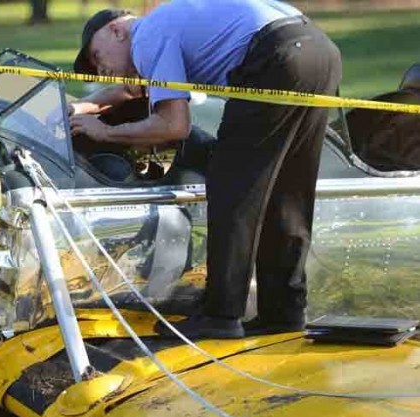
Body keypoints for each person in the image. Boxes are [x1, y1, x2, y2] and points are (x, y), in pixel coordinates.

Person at [70, 1, 342, 338]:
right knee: (286, 191)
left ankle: (220, 315)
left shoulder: (146, 36)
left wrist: (105, 132)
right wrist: (81, 106)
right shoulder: (166, 27)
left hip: (274, 58)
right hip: (319, 51)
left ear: (117, 30)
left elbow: (174, 125)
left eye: (97, 57)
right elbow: (130, 88)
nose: (100, 70)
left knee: (232, 187)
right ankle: (284, 311)